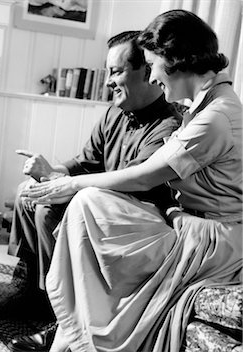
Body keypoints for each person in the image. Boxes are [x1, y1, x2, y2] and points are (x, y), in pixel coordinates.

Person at [21, 9, 242, 352]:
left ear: (175, 60)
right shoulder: (205, 104)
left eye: (153, 64)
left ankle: (76, 333)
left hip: (214, 242)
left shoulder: (215, 117)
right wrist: (66, 181)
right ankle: (72, 328)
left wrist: (71, 184)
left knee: (87, 202)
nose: (153, 77)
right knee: (88, 203)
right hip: (191, 225)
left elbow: (144, 177)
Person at [0, 30, 183, 351]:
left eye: (116, 71)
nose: (108, 81)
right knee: (28, 193)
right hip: (93, 204)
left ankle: (64, 313)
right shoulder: (113, 113)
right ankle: (31, 291)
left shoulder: (167, 126)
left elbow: (131, 185)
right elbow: (83, 163)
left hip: (130, 223)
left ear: (146, 71)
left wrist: (61, 186)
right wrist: (49, 172)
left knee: (47, 207)